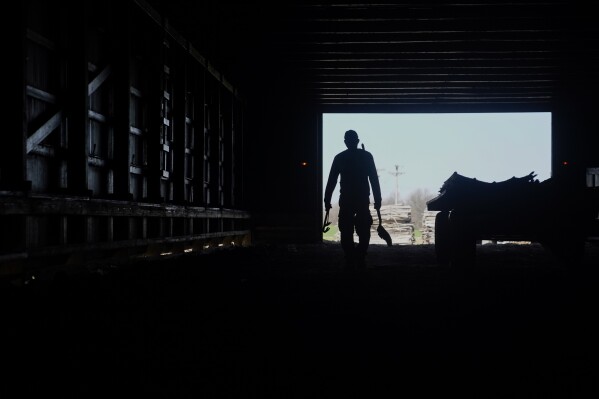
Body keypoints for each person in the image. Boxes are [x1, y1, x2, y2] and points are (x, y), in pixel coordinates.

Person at [324, 129, 382, 269]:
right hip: (361, 199)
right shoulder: (367, 156)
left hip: (347, 200)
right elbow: (374, 179)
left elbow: (332, 180)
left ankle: (351, 257)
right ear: (357, 141)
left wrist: (327, 199)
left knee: (346, 229)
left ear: (346, 142)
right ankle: (359, 256)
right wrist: (378, 199)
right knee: (363, 229)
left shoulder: (340, 158)